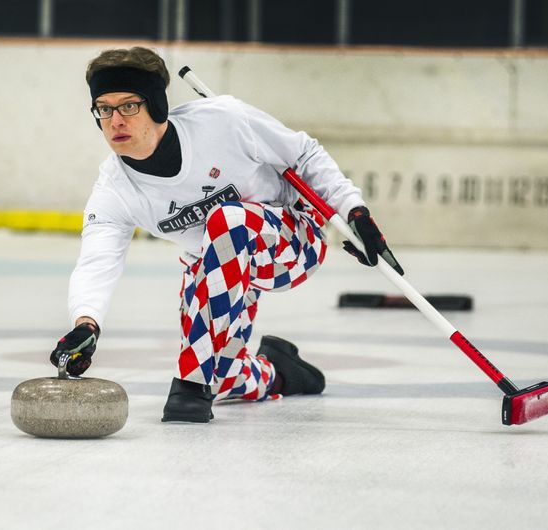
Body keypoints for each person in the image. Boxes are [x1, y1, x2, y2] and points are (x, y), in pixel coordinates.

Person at [50, 47, 403, 423]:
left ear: (156, 106)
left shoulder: (223, 121)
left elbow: (304, 154)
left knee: (227, 219)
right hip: (215, 271)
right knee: (225, 374)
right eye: (104, 109)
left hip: (291, 240)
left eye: (128, 106)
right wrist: (85, 323)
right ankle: (278, 371)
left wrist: (354, 210)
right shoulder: (114, 190)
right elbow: (97, 261)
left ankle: (190, 382)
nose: (115, 120)